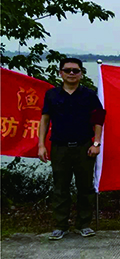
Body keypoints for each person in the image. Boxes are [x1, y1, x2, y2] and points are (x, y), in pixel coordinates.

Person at [38, 57, 106, 240]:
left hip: (84, 148)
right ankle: (60, 226)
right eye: (67, 70)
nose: (71, 73)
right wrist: (41, 145)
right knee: (60, 188)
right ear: (60, 73)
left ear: (81, 74)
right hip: (60, 148)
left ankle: (84, 224)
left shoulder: (89, 95)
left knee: (85, 187)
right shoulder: (52, 95)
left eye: (75, 70)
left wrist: (96, 143)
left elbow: (99, 119)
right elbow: (44, 120)